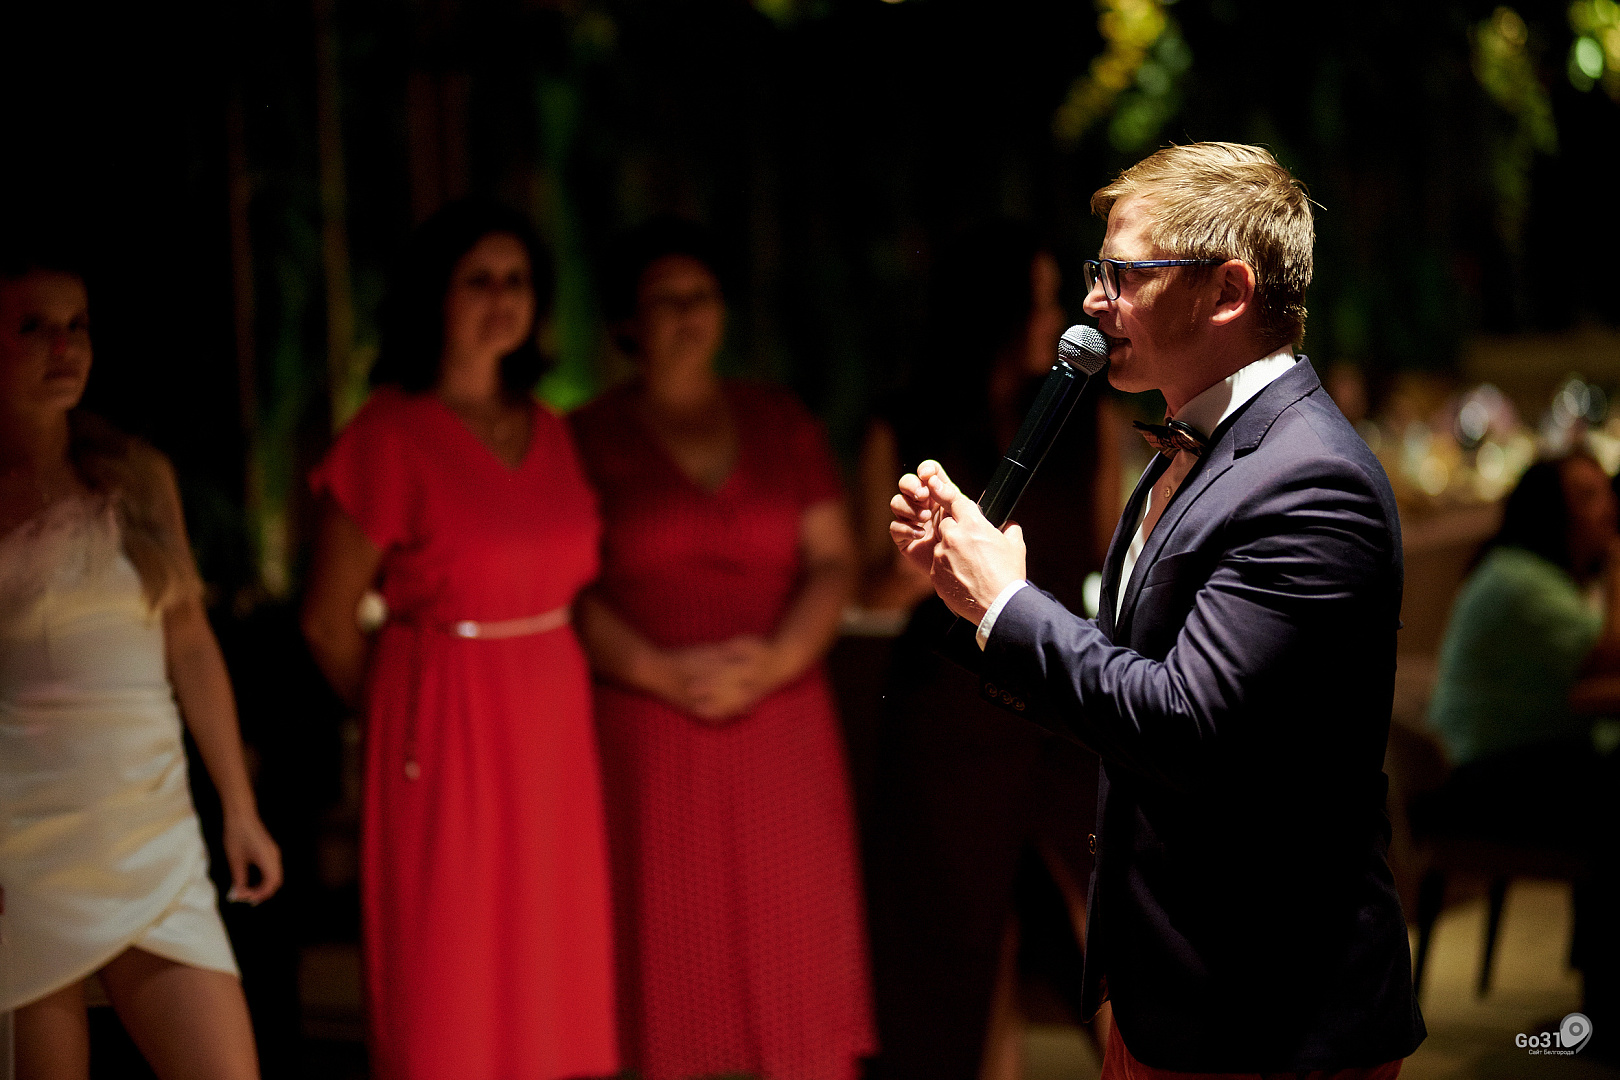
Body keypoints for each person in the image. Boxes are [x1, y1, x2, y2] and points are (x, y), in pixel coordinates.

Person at [889, 143, 1426, 1077]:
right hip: (1171, 990)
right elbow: (1128, 679)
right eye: (1096, 272)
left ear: (1227, 291)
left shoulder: (1310, 479)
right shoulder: (1198, 441)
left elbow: (1184, 724)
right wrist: (977, 598)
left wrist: (1008, 604)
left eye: (1124, 275)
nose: (1092, 303)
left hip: (1269, 1007)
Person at [301, 200, 616, 1080]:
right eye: (478, 280)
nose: (501, 299)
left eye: (517, 281)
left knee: (549, 958)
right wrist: (409, 707)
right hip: (443, 724)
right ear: (433, 296)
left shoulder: (551, 429)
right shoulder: (388, 435)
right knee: (450, 970)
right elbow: (326, 620)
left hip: (553, 725)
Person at [570, 219, 874, 1080]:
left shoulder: (777, 420)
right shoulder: (585, 437)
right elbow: (567, 590)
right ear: (627, 323)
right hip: (646, 723)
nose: (686, 314)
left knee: (791, 949)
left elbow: (833, 560)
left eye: (700, 296)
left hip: (780, 719)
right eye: (663, 299)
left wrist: (777, 661)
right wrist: (656, 671)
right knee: (666, 952)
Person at [0, 240, 282, 1079]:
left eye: (79, 325)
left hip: (152, 830)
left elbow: (188, 640)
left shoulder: (136, 475)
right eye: (34, 326)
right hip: (23, 841)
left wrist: (238, 807)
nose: (65, 347)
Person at [855, 222, 1119, 1080]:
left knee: (1102, 920)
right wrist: (927, 560)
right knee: (961, 944)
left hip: (1056, 698)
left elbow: (1109, 555)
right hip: (949, 720)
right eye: (1037, 300)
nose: (1056, 318)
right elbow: (871, 590)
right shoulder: (905, 423)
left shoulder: (1083, 417)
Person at [1423, 451, 1620, 1046]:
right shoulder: (1519, 580)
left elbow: (1587, 687)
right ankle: (1604, 1004)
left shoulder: (1549, 578)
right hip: (1482, 777)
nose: (1608, 506)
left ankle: (1602, 994)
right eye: (1587, 495)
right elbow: (1610, 657)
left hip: (1525, 759)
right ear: (1548, 510)